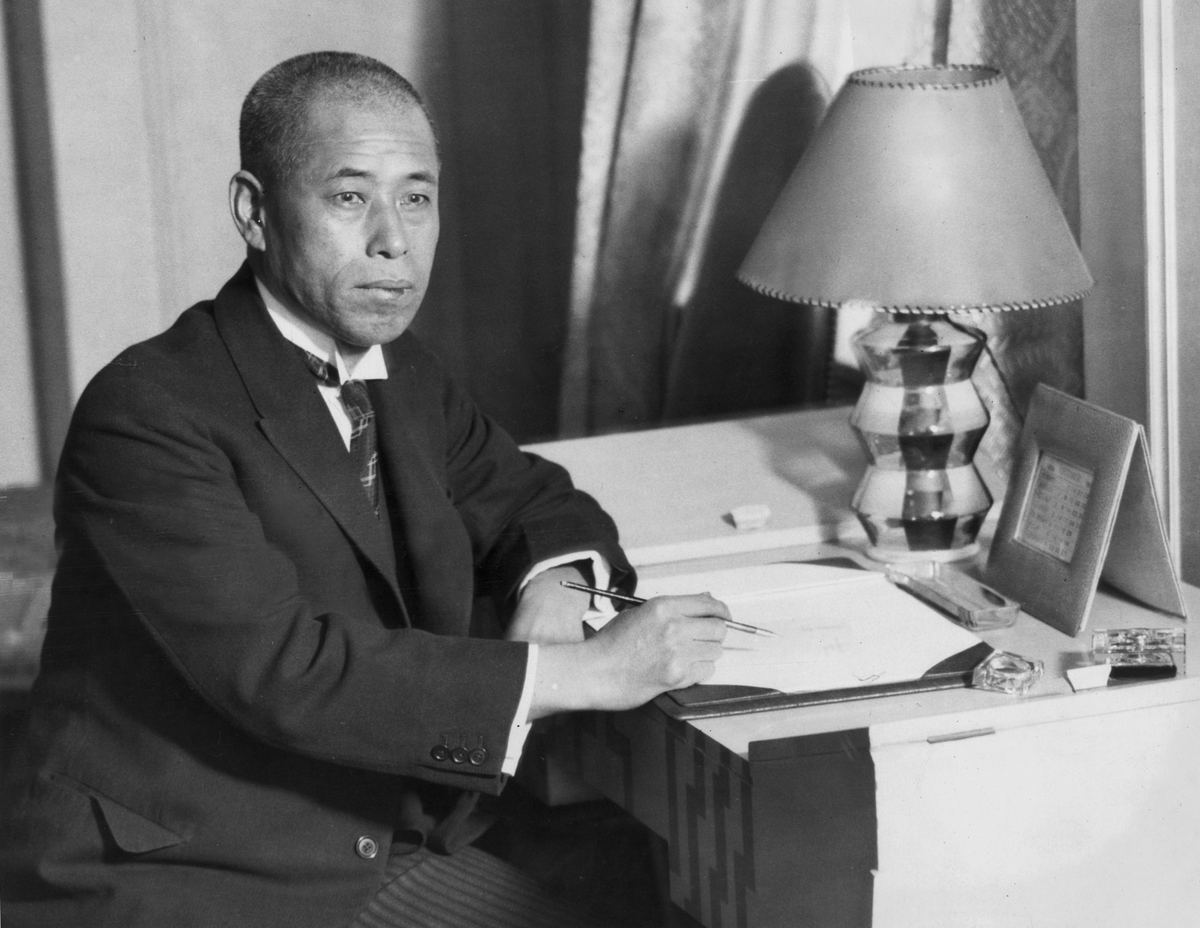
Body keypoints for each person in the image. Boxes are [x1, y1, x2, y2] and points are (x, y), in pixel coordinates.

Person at [0, 51, 730, 928]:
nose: (394, 239)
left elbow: (536, 502)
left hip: (361, 841)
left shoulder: (400, 374)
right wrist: (579, 672)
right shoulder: (148, 410)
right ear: (255, 212)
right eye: (350, 198)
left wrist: (557, 584)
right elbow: (282, 671)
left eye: (416, 198)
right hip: (181, 875)